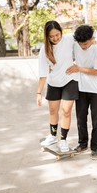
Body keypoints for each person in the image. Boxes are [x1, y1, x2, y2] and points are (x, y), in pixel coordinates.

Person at [37, 20, 79, 152]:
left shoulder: (69, 39)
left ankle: (63, 140)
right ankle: (53, 136)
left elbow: (85, 38)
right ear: (47, 36)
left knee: (66, 111)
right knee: (53, 111)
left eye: (57, 35)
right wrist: (38, 93)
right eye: (52, 36)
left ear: (61, 32)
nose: (55, 38)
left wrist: (93, 41)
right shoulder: (44, 50)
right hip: (54, 83)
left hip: (70, 80)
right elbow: (43, 74)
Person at [66, 25, 97, 160]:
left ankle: (94, 148)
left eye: (86, 43)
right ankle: (82, 144)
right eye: (81, 44)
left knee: (96, 120)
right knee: (81, 119)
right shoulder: (75, 44)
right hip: (81, 88)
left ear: (92, 39)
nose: (83, 46)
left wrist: (79, 68)